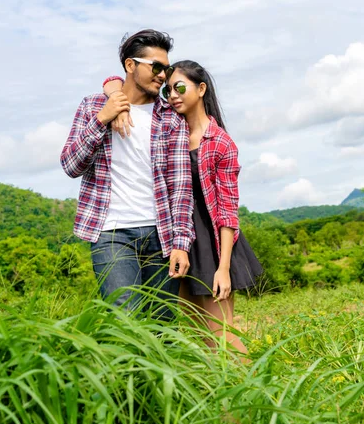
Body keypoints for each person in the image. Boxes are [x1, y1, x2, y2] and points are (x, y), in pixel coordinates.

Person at [104, 60, 262, 354]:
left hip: (211, 243)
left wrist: (224, 267)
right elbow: (123, 81)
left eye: (179, 88)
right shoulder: (168, 129)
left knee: (221, 332)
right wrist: (112, 88)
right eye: (167, 90)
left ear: (201, 89)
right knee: (193, 332)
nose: (173, 95)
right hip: (176, 239)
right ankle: (213, 394)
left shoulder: (220, 143)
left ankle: (253, 393)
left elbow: (228, 212)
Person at [60, 30, 195, 318]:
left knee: (164, 325)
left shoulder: (171, 118)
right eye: (156, 67)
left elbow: (181, 187)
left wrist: (180, 244)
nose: (163, 76)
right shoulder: (93, 106)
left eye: (166, 69)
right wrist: (102, 119)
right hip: (111, 234)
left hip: (161, 235)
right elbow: (71, 165)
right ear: (130, 65)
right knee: (125, 323)